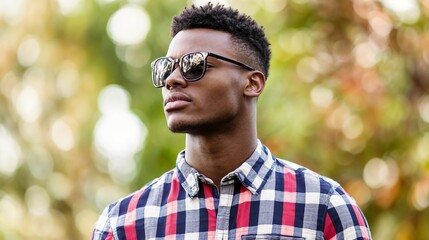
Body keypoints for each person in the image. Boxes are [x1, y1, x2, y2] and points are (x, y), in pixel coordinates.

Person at [91, 3, 371, 240]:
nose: (172, 80)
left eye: (194, 65)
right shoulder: (123, 223)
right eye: (167, 67)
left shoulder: (325, 208)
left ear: (252, 83)